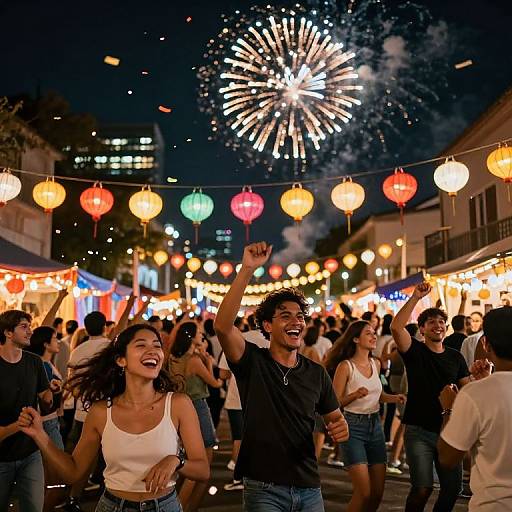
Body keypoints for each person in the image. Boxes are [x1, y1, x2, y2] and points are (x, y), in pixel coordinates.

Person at [214, 242, 349, 512]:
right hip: (263, 487)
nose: (296, 322)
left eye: (300, 317)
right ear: (267, 325)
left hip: (309, 485)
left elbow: (335, 418)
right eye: (285, 316)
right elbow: (222, 326)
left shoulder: (316, 373)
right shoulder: (252, 362)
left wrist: (340, 428)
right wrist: (247, 270)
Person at [17, 324, 209, 512]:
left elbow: (202, 470)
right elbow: (73, 473)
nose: (153, 351)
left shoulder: (178, 404)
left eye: (157, 346)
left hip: (165, 505)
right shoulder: (101, 412)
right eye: (141, 345)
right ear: (121, 360)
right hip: (113, 505)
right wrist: (39, 434)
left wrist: (176, 460)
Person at [390, 282, 485, 512]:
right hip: (418, 430)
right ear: (422, 329)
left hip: (449, 430)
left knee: (452, 489)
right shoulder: (415, 351)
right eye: (431, 322)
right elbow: (396, 327)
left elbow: (466, 390)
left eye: (441, 322)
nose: (438, 325)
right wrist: (415, 297)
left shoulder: (455, 357)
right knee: (422, 488)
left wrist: (481, 378)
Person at [326, 320, 405, 512]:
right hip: (352, 427)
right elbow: (333, 403)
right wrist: (353, 395)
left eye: (374, 332)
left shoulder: (376, 363)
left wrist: (395, 398)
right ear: (355, 339)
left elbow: (377, 394)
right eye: (368, 333)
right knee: (364, 492)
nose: (374, 336)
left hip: (375, 426)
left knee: (377, 493)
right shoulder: (346, 367)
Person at [438, 307, 511, 511]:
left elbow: (448, 457)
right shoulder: (479, 392)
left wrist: (449, 409)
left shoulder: (474, 394)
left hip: (494, 503)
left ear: (485, 344)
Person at [0, 310, 53, 512]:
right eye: (24, 327)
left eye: (29, 326)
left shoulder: (34, 362)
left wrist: (52, 392)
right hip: (1, 457)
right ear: (8, 333)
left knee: (33, 507)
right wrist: (18, 425)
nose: (30, 332)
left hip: (30, 452)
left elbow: (46, 404)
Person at [168, 322, 222, 512]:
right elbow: (214, 383)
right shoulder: (194, 360)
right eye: (199, 333)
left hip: (179, 407)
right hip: (198, 407)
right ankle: (184, 507)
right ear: (191, 337)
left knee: (188, 461)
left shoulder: (173, 358)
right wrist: (208, 361)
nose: (202, 336)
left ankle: (184, 505)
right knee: (202, 465)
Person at [64, 311, 112, 511]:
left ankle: (74, 497)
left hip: (82, 412)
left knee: (81, 458)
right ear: (104, 327)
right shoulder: (110, 347)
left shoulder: (77, 350)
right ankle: (107, 493)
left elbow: (71, 382)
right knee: (109, 457)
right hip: (108, 411)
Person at [26, 326, 66, 511]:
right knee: (57, 476)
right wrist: (55, 392)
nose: (58, 341)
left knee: (50, 476)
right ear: (45, 344)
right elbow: (44, 401)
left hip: (51, 420)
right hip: (47, 422)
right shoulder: (41, 365)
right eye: (55, 338)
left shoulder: (47, 363)